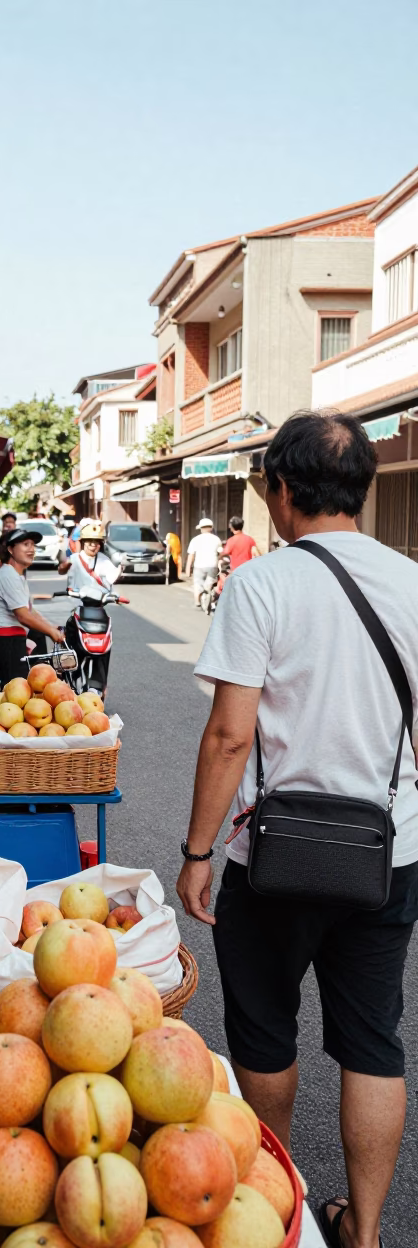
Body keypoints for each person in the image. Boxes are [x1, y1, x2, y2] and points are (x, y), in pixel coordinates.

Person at [175, 411, 418, 1248]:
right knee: (372, 1041)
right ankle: (368, 1230)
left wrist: (198, 852)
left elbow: (230, 735)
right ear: (364, 488)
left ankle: (273, 1200)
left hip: (271, 855)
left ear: (281, 490)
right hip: (389, 852)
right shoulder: (414, 582)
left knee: (267, 1028)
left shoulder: (260, 585)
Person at [0, 527, 65, 685]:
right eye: (25, 544)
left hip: (14, 637)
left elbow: (30, 610)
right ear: (10, 549)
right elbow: (22, 615)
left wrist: (50, 626)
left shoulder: (17, 576)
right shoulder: (8, 574)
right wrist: (50, 631)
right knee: (16, 689)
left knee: (22, 687)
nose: (31, 549)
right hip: (6, 639)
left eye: (33, 545)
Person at [57, 523, 121, 594]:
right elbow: (61, 571)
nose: (93, 546)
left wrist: (120, 569)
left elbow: (111, 577)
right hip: (75, 598)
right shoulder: (74, 558)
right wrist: (66, 564)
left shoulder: (104, 559)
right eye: (90, 542)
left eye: (96, 542)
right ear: (82, 543)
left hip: (97, 599)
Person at [184, 517, 223, 607]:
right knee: (210, 582)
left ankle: (197, 600)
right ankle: (208, 592)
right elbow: (221, 553)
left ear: (201, 528)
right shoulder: (216, 539)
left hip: (199, 566)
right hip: (212, 565)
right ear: (211, 528)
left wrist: (188, 568)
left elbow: (191, 555)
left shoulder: (195, 539)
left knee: (198, 583)